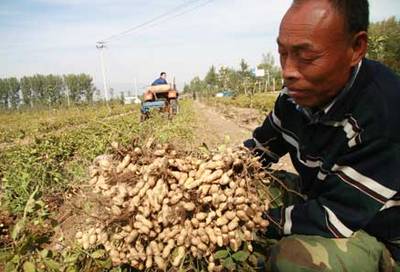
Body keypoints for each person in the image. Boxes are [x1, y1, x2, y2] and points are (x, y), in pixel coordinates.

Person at [244, 0, 400, 271]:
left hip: (378, 231)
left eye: (306, 57)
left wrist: (251, 221)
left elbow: (335, 217)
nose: (288, 71)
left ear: (356, 48)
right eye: (283, 53)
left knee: (294, 260)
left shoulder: (384, 112)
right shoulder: (294, 97)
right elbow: (257, 151)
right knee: (248, 187)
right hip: (325, 198)